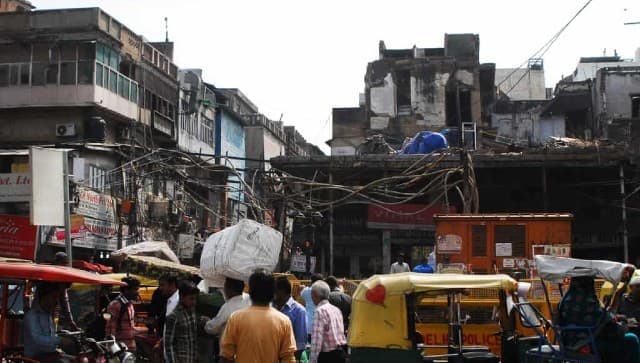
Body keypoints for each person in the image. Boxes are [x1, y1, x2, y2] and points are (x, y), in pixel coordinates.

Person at [220, 270, 297, 363]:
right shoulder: (284, 321)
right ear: (273, 292)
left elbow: (226, 356)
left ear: (250, 291)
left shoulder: (236, 318)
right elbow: (288, 357)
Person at [24, 282, 69, 361]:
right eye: (54, 297)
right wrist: (60, 340)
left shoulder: (48, 314)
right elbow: (37, 339)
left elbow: (51, 335)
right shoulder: (32, 315)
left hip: (49, 354)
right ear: (44, 297)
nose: (56, 302)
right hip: (35, 357)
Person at [309, 281, 346, 363]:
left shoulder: (319, 311)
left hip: (327, 357)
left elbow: (316, 342)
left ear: (314, 294)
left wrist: (312, 361)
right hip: (340, 354)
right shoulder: (336, 309)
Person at [164, 281, 199, 363]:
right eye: (191, 298)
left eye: (195, 298)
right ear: (181, 296)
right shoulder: (173, 317)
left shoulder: (192, 312)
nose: (194, 302)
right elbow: (168, 345)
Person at [274, 276, 307, 360]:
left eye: (273, 291)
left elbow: (300, 342)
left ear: (281, 291)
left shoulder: (299, 311)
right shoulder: (271, 307)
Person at [106, 276, 140, 352]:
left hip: (130, 346)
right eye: (135, 289)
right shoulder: (115, 305)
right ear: (126, 290)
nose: (138, 292)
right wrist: (112, 348)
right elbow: (110, 327)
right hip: (119, 348)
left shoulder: (130, 304)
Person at [52, 252, 78, 331]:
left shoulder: (63, 279)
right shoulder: (50, 276)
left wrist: (71, 321)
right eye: (63, 263)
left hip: (55, 315)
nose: (65, 265)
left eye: (66, 263)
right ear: (56, 262)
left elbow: (64, 301)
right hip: (43, 312)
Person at [300, 273, 323, 342]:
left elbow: (301, 295)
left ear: (311, 281)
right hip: (320, 326)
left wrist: (303, 287)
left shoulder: (306, 291)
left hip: (308, 325)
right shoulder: (324, 291)